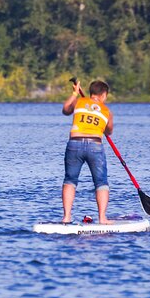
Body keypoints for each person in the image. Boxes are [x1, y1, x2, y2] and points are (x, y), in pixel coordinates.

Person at [61, 79, 113, 224]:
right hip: (95, 146)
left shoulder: (79, 102)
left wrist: (74, 93)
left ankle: (66, 217)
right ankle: (102, 218)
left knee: (70, 180)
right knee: (101, 182)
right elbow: (109, 131)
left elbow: (65, 110)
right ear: (103, 95)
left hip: (74, 143)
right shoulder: (106, 111)